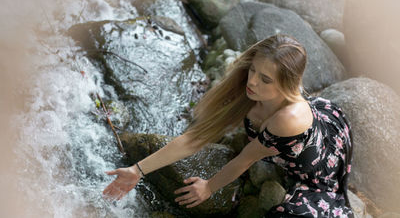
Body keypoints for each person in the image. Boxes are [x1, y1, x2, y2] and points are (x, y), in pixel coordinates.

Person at [102, 34, 354, 217]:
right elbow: (196, 138)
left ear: (288, 85)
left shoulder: (287, 118)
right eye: (253, 70)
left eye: (265, 79)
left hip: (320, 164)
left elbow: (245, 159)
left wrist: (209, 187)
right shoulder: (251, 92)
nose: (252, 82)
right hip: (290, 129)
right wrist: (137, 170)